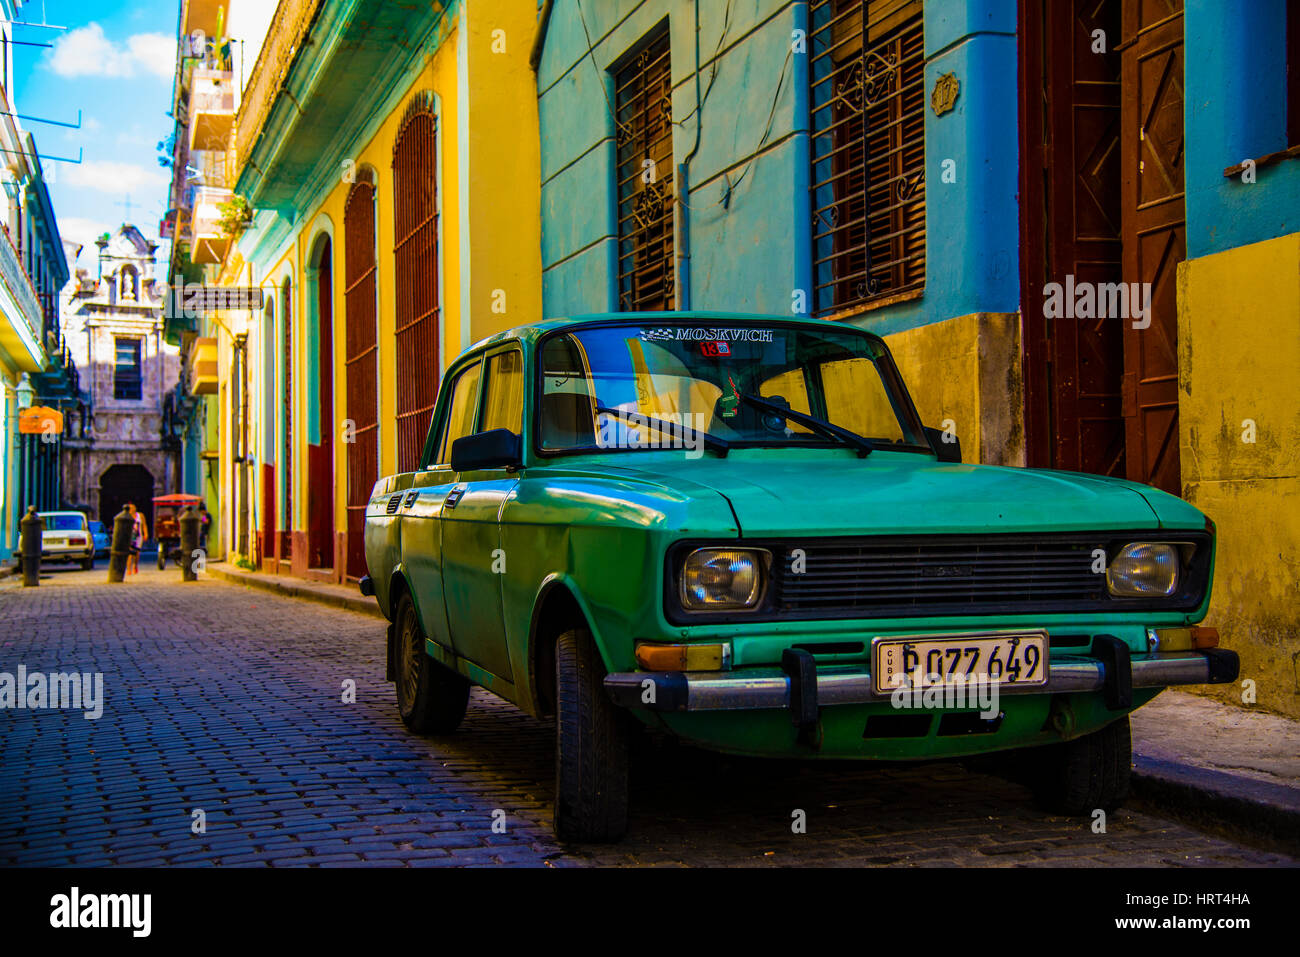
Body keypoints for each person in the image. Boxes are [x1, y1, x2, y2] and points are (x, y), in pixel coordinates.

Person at [127, 503, 148, 576]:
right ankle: (129, 569)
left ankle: (135, 565)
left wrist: (146, 533)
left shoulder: (140, 515)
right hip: (130, 536)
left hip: (138, 536)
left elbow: (144, 525)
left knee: (136, 553)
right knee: (129, 553)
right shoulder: (127, 516)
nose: (132, 509)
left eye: (133, 507)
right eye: (131, 508)